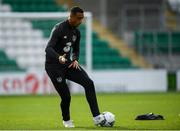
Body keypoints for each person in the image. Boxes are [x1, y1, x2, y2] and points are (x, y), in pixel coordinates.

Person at [45, 6, 105, 128]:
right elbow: (48, 48)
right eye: (78, 18)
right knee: (66, 97)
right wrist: (59, 57)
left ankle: (97, 117)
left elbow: (76, 49)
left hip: (68, 64)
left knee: (88, 83)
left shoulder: (76, 32)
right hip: (54, 67)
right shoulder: (59, 29)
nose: (81, 21)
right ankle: (66, 120)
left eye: (82, 18)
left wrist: (75, 59)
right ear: (71, 16)